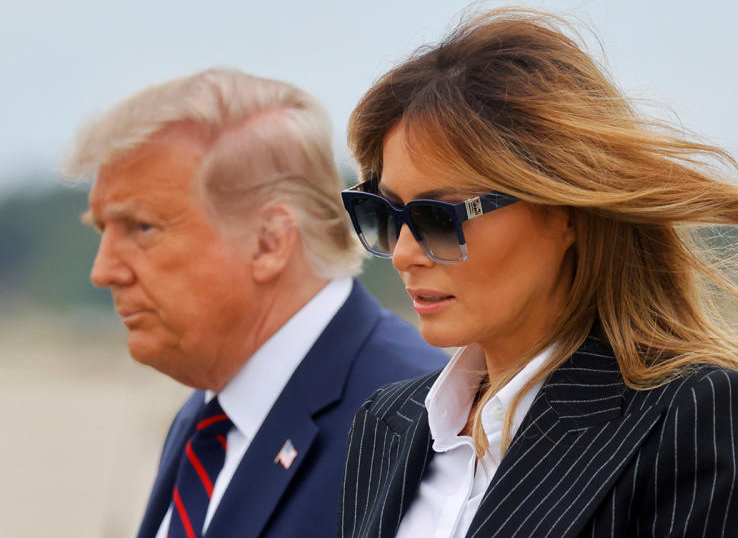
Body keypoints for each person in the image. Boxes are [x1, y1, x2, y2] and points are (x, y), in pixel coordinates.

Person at [336, 8, 738, 538]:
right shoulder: (388, 423)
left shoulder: (694, 416)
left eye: (439, 217)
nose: (407, 252)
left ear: (565, 212)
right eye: (382, 213)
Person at [61, 68, 448, 538]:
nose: (103, 271)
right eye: (103, 230)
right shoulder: (211, 413)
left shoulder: (423, 425)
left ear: (269, 242)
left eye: (141, 228)